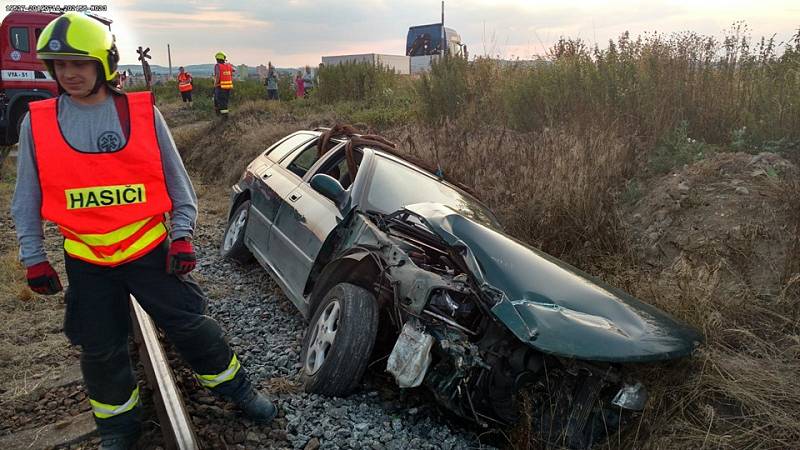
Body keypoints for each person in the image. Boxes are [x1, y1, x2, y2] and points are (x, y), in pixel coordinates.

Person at [10, 13, 276, 450]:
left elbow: (178, 184)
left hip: (150, 253)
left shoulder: (141, 113)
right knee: (101, 351)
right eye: (59, 65)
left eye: (79, 63)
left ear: (104, 63)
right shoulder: (36, 122)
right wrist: (33, 257)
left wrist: (183, 235)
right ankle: (119, 428)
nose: (69, 74)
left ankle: (238, 390)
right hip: (88, 262)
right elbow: (25, 200)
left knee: (193, 328)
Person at [213, 51, 234, 116]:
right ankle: (224, 116)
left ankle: (223, 118)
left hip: (220, 87)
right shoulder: (228, 66)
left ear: (217, 59)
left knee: (219, 102)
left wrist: (215, 84)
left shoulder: (217, 66)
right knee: (225, 102)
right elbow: (234, 70)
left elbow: (218, 75)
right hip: (228, 88)